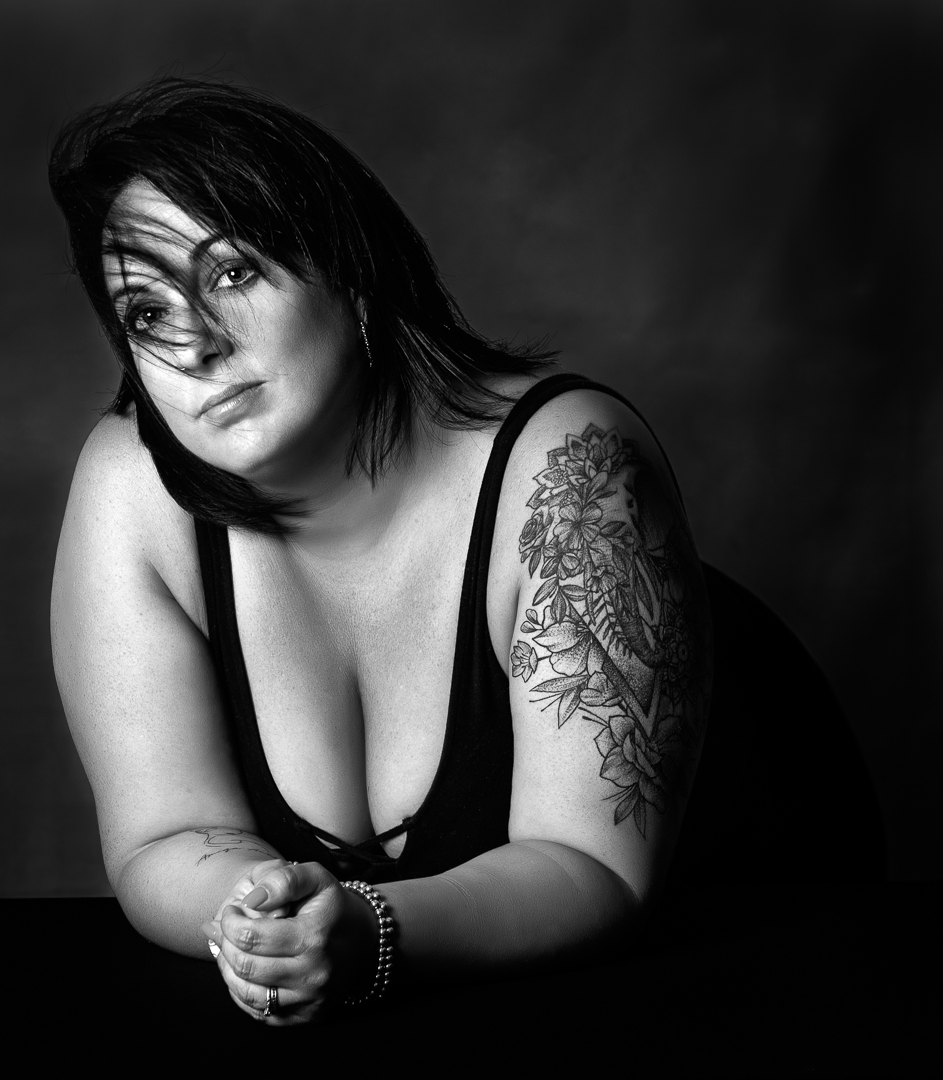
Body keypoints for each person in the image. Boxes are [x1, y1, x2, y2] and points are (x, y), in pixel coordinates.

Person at [49, 77, 712, 1026]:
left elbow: (597, 871)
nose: (194, 344)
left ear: (351, 271)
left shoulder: (573, 471)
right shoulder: (133, 485)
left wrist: (367, 932)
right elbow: (164, 836)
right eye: (146, 313)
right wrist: (260, 919)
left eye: (231, 273)